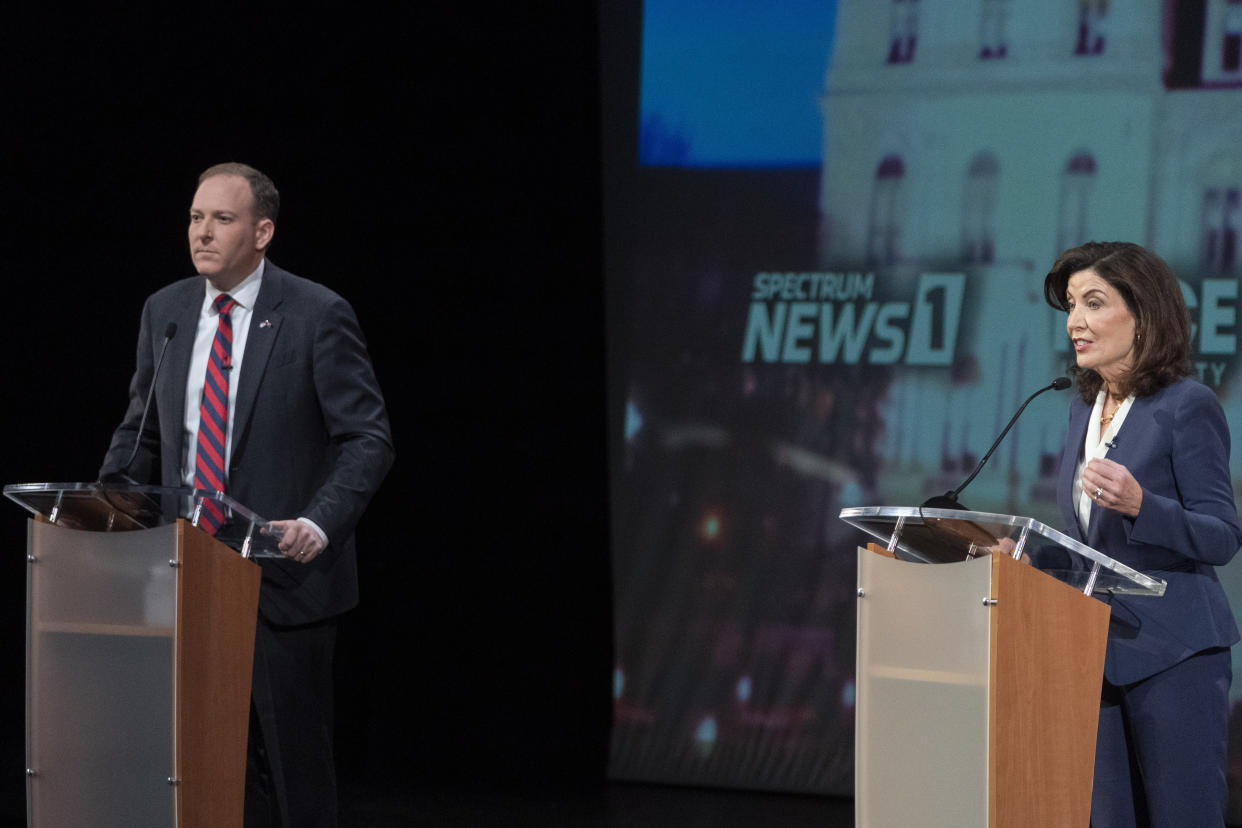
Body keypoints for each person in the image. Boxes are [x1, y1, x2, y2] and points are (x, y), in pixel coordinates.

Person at [99, 162, 395, 827]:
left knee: (292, 772)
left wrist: (320, 524)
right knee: (196, 765)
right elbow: (139, 430)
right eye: (196, 217)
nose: (202, 233)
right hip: (182, 576)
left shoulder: (318, 313)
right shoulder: (165, 311)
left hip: (282, 579)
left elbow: (368, 439)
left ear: (262, 231)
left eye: (222, 219)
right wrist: (108, 500)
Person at [1041, 241, 1240, 827]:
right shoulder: (1083, 409)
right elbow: (1088, 543)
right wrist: (1026, 555)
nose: (1075, 321)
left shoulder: (1187, 405)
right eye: (1072, 305)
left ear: (1143, 312)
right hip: (1096, 655)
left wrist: (1141, 506)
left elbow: (1223, 535)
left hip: (1176, 655)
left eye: (1094, 302)